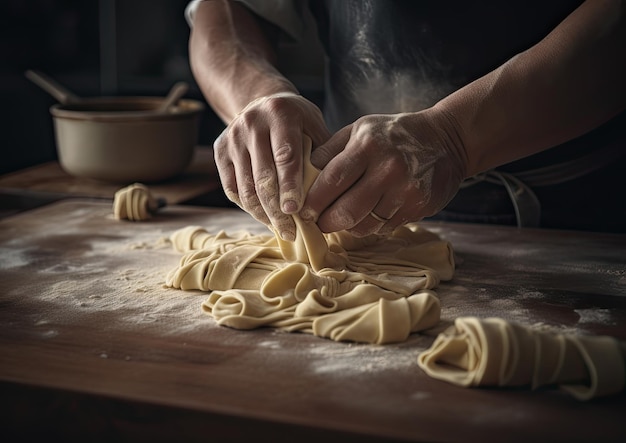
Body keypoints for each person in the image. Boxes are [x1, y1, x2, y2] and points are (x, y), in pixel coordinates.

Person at [185, 0, 626, 241]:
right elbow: (224, 10)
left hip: (574, 214)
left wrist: (454, 137)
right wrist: (259, 95)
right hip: (351, 210)